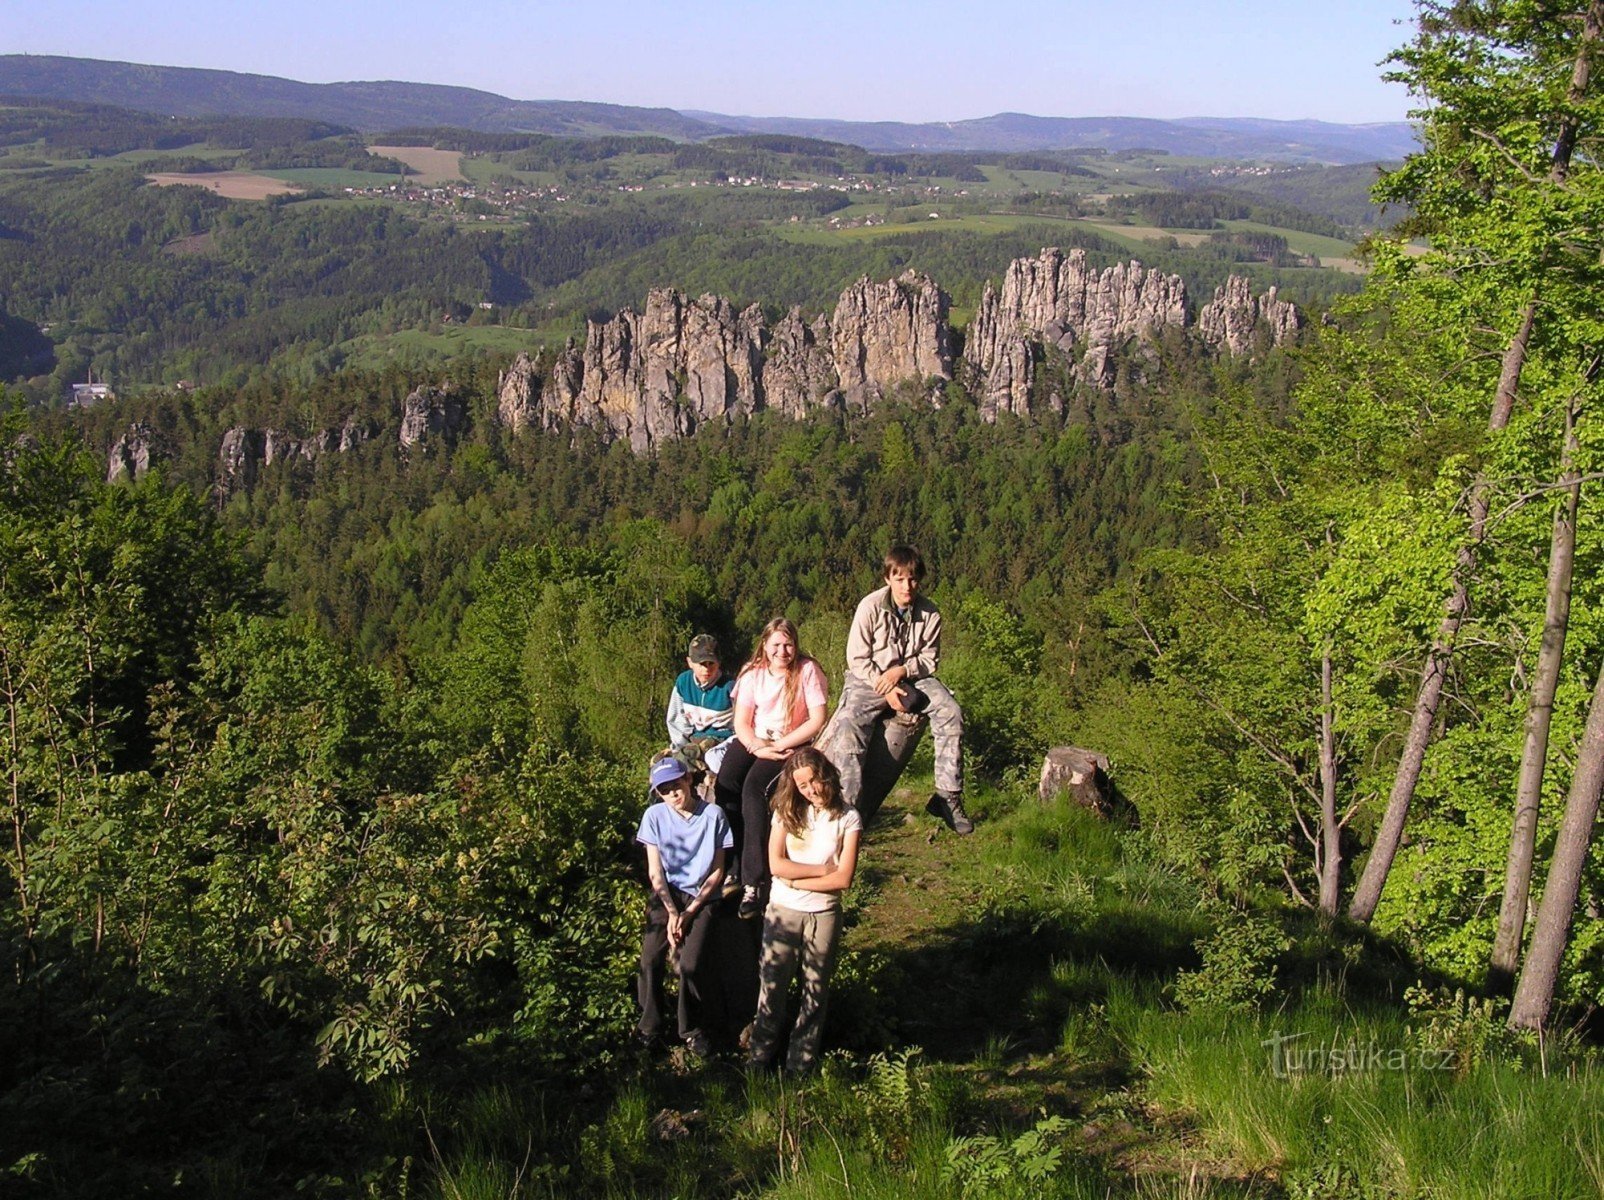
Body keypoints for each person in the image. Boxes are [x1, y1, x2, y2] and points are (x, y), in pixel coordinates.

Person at [836, 545, 971, 833]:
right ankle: (845, 807)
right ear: (887, 579)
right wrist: (884, 686)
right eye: (899, 579)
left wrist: (902, 671)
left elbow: (929, 659)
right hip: (868, 678)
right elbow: (857, 658)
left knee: (951, 712)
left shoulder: (930, 612)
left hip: (912, 677)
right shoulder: (869, 607)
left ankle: (948, 796)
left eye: (912, 579)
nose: (906, 586)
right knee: (849, 724)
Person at [748, 748, 861, 1075]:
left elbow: (843, 878)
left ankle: (799, 1067)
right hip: (784, 911)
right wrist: (820, 870)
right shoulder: (786, 812)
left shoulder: (848, 817)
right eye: (802, 785)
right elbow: (775, 864)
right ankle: (758, 1061)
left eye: (814, 780)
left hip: (823, 914)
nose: (811, 789)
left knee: (815, 992)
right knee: (772, 987)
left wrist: (796, 879)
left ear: (826, 775)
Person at [714, 617, 829, 919]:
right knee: (726, 782)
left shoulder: (807, 671)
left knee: (754, 789)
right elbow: (741, 721)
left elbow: (817, 719)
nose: (782, 651)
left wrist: (779, 747)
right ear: (764, 646)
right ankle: (732, 862)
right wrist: (756, 745)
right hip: (757, 739)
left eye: (788, 644)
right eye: (776, 644)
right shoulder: (753, 674)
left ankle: (754, 880)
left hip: (790, 743)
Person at [635, 756, 732, 1057]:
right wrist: (673, 912)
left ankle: (690, 1028)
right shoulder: (654, 816)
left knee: (691, 964)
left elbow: (717, 871)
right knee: (651, 957)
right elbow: (655, 872)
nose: (673, 794)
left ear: (688, 780)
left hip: (703, 896)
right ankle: (648, 1027)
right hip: (668, 893)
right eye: (665, 790)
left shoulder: (713, 815)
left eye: (676, 785)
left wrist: (690, 912)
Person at [666, 633, 737, 773]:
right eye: (701, 664)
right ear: (690, 662)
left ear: (719, 662)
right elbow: (676, 720)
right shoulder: (683, 682)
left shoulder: (730, 686)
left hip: (722, 739)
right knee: (663, 765)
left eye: (711, 663)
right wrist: (680, 746)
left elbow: (741, 722)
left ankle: (703, 777)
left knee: (699, 758)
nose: (707, 669)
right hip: (694, 738)